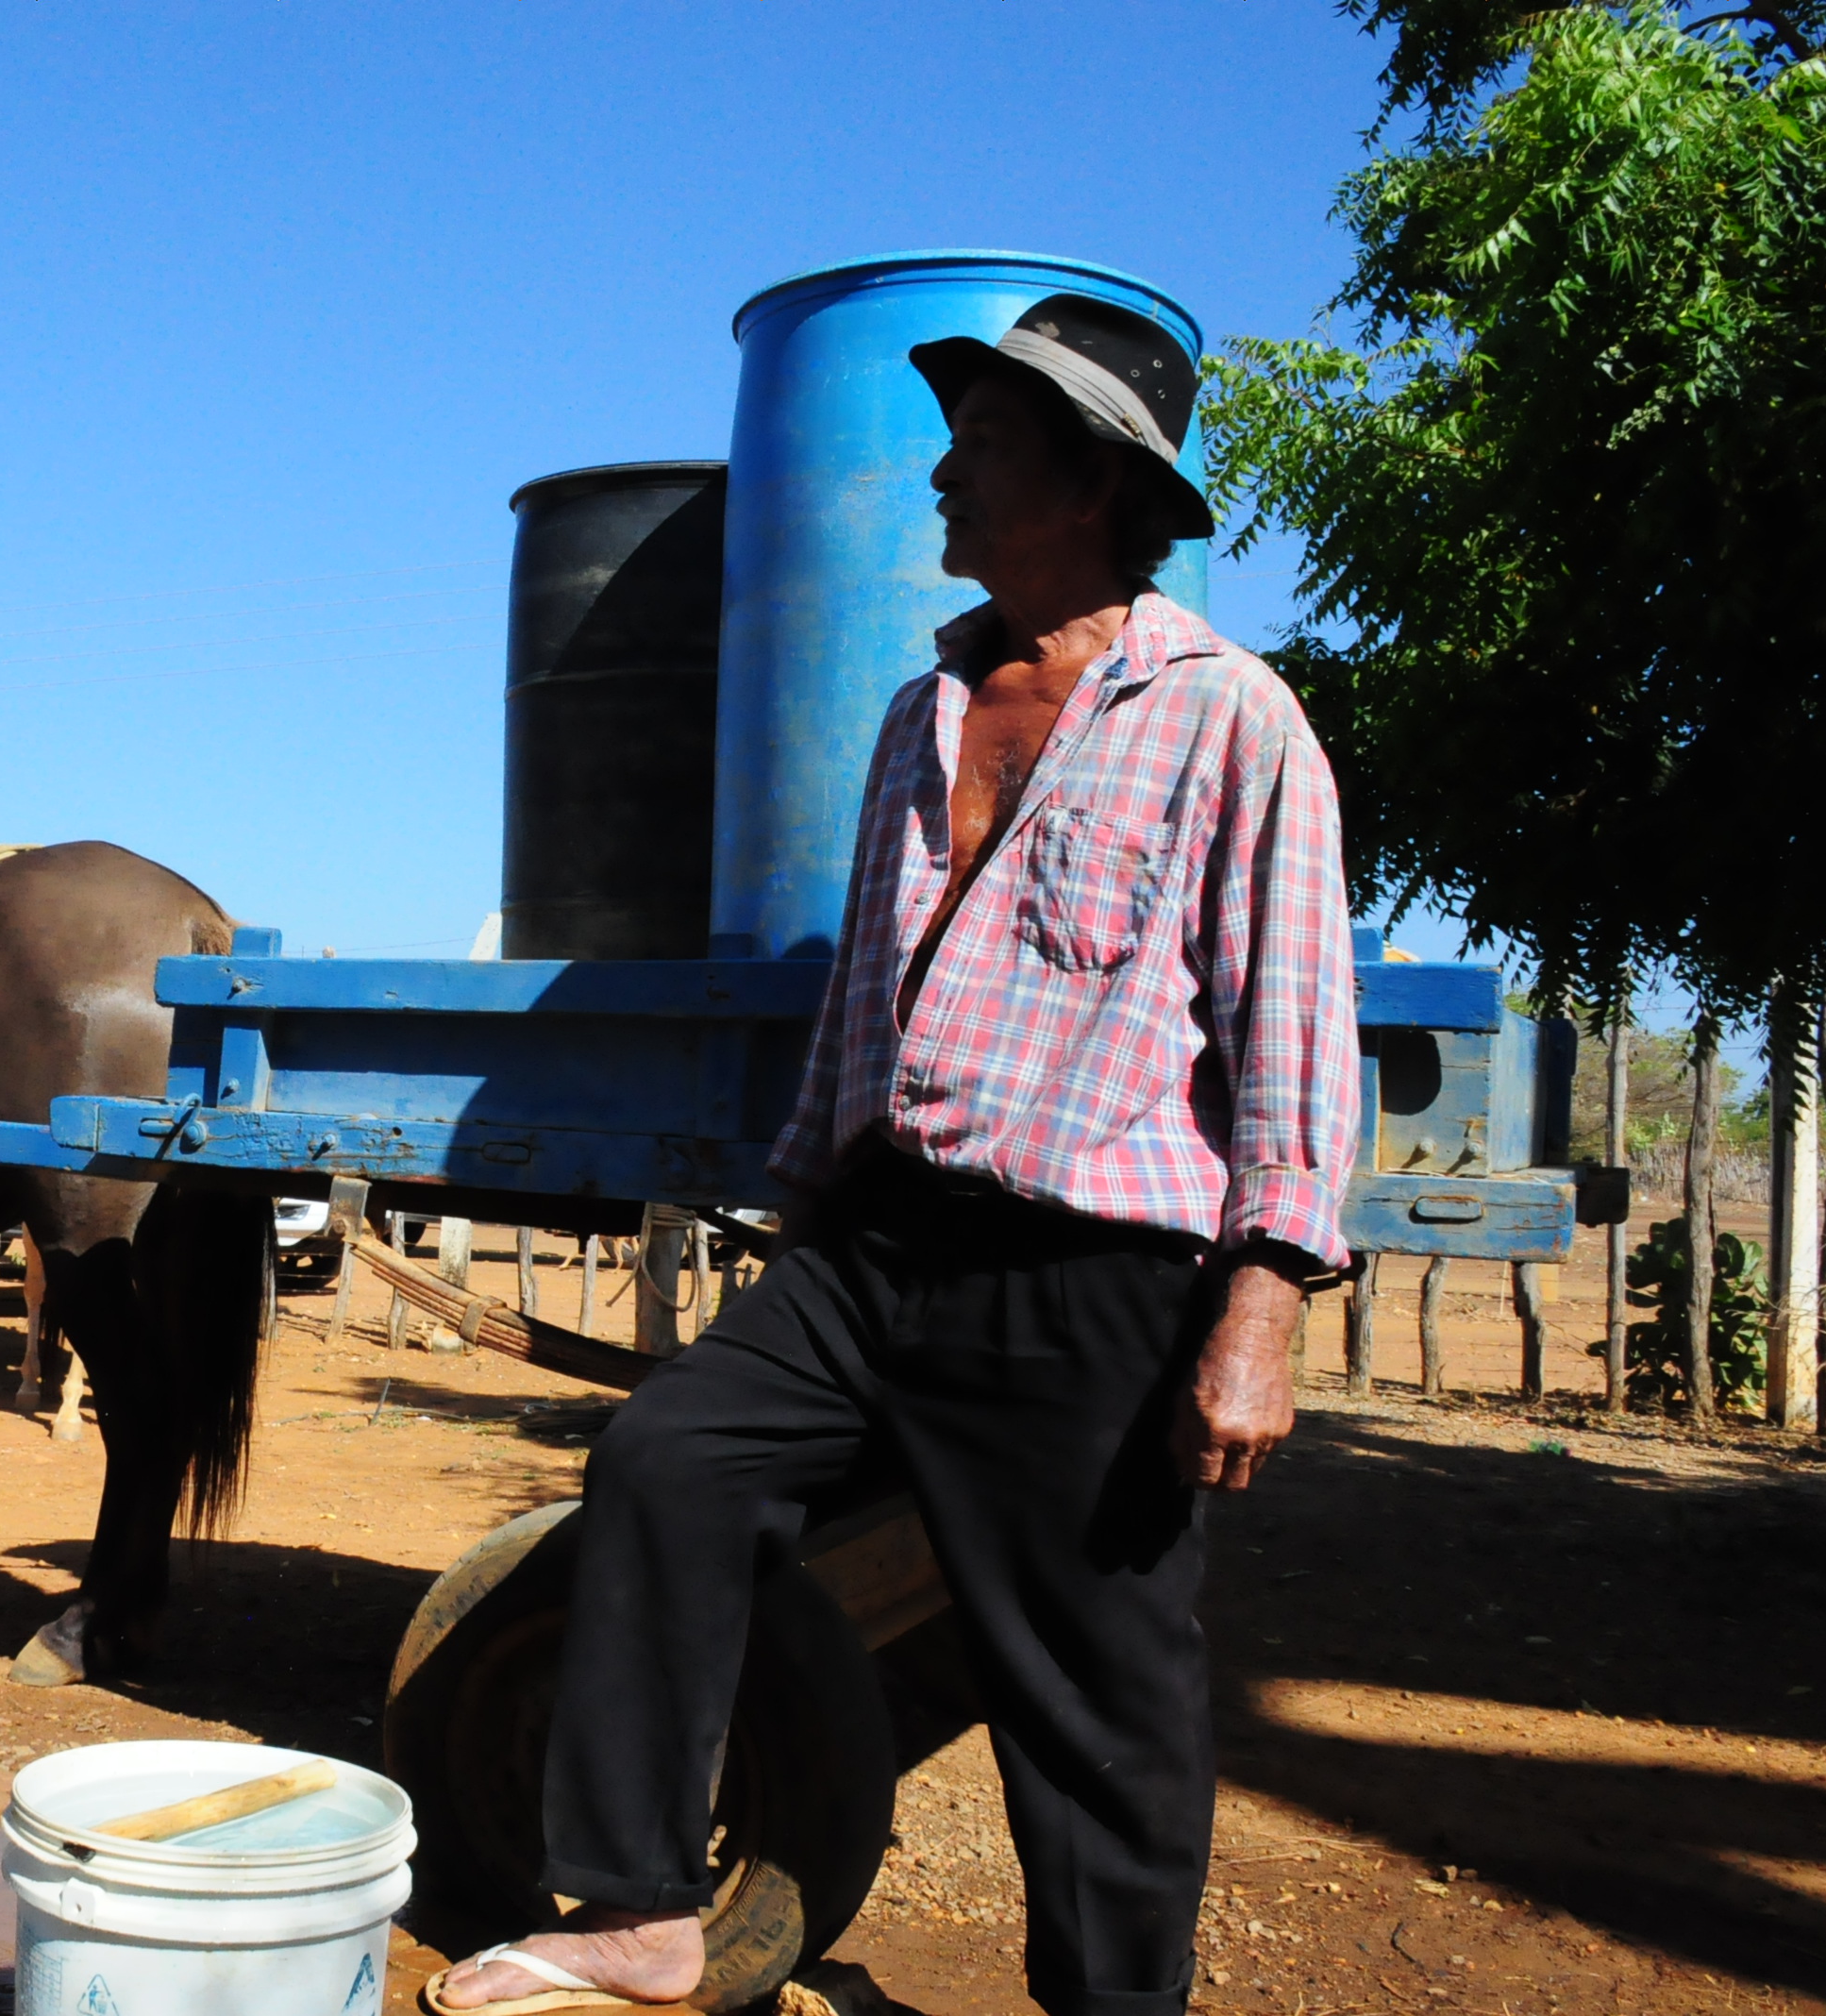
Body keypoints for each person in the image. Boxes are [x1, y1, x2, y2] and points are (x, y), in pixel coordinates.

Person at [432, 297, 1360, 2016]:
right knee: (670, 1462)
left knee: (1096, 1695)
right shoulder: (919, 712)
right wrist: (805, 1190)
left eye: (985, 444)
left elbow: (1290, 1027)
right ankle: (639, 1906)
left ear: (1090, 480)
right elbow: (872, 988)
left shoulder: (1231, 719)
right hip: (872, 1243)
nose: (940, 472)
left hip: (1090, 1275)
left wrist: (1262, 1305)